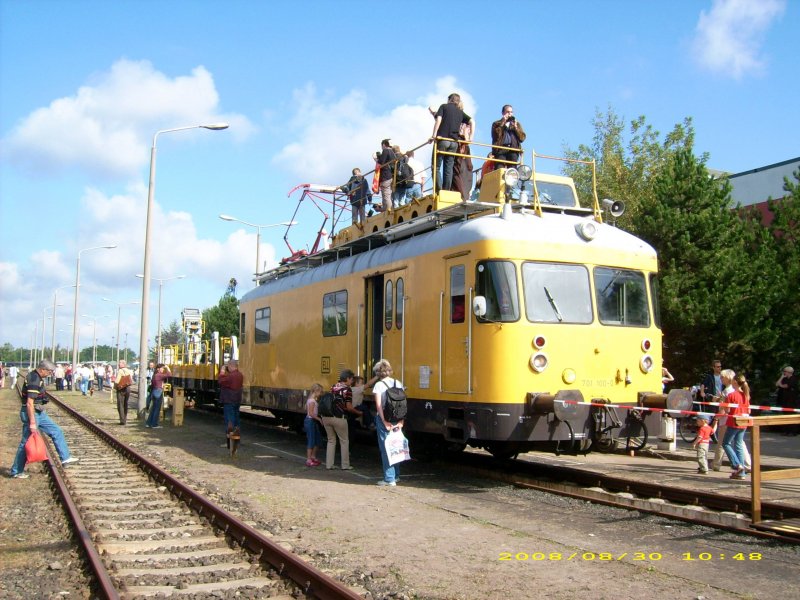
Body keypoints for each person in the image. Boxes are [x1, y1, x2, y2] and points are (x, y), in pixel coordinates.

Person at [9, 359, 78, 479]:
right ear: (42, 369)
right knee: (26, 442)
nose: (50, 373)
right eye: (49, 371)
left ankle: (65, 457)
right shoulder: (34, 380)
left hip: (39, 412)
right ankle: (16, 471)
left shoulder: (37, 377)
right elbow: (30, 403)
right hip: (32, 413)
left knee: (56, 431)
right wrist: (32, 423)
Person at [430, 93, 474, 192]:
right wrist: (471, 137)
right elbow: (472, 122)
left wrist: (434, 134)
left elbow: (439, 119)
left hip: (442, 140)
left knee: (436, 167)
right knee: (448, 168)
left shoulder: (443, 106)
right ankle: (446, 191)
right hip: (454, 142)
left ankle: (438, 191)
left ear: (449, 99)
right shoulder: (460, 112)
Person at [372, 358, 405, 486]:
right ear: (389, 371)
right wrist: (401, 420)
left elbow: (379, 405)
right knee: (395, 446)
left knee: (385, 448)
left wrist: (384, 420)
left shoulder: (379, 385)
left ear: (378, 373)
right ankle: (396, 475)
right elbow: (403, 404)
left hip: (384, 420)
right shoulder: (398, 383)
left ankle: (389, 478)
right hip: (397, 418)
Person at [321, 369, 360, 470]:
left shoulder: (333, 386)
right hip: (339, 418)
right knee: (344, 441)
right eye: (351, 379)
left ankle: (329, 465)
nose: (352, 382)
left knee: (331, 440)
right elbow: (349, 407)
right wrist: (359, 412)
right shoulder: (348, 390)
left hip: (326, 417)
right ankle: (345, 465)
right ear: (347, 378)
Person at [721, 370, 751, 480]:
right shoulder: (745, 395)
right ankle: (741, 473)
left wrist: (722, 402)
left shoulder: (731, 395)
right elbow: (749, 411)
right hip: (744, 422)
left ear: (734, 382)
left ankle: (737, 465)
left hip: (733, 422)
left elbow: (727, 410)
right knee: (738, 445)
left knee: (726, 443)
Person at [219, 359, 244, 446]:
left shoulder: (231, 376)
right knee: (236, 421)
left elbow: (221, 381)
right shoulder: (240, 375)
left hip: (229, 401)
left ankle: (230, 442)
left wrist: (222, 372)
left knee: (229, 422)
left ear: (230, 366)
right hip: (237, 400)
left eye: (227, 366)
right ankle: (237, 440)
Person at [146, 363, 171, 429]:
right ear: (158, 369)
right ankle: (154, 424)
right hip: (158, 391)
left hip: (154, 391)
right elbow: (169, 374)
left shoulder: (155, 375)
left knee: (153, 408)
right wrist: (167, 367)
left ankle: (149, 423)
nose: (163, 369)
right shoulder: (159, 375)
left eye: (163, 368)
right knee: (157, 409)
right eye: (162, 368)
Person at [775, 366, 798, 435]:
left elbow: (786, 386)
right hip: (784, 400)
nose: (784, 373)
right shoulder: (784, 379)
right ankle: (786, 431)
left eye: (785, 371)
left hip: (791, 401)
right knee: (785, 415)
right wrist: (781, 377)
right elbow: (777, 384)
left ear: (789, 372)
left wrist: (781, 385)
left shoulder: (793, 379)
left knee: (791, 415)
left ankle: (793, 431)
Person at [305, 383, 323, 466]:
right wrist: (319, 419)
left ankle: (313, 456)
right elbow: (311, 413)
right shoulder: (312, 401)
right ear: (316, 391)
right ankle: (309, 459)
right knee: (311, 440)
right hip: (310, 420)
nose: (321, 394)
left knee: (317, 439)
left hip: (312, 421)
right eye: (320, 392)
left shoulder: (312, 400)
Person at [375, 139, 396, 212]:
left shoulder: (386, 150)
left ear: (384, 145)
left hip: (385, 176)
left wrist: (376, 159)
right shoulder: (393, 152)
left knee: (386, 195)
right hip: (391, 176)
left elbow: (381, 163)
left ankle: (388, 210)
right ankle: (386, 209)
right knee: (388, 194)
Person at [114, 359, 134, 425]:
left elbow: (117, 381)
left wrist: (115, 386)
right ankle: (125, 418)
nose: (119, 364)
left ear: (123, 364)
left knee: (120, 404)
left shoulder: (120, 371)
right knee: (126, 404)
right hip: (127, 388)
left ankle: (122, 420)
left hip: (121, 388)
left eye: (120, 363)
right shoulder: (128, 370)